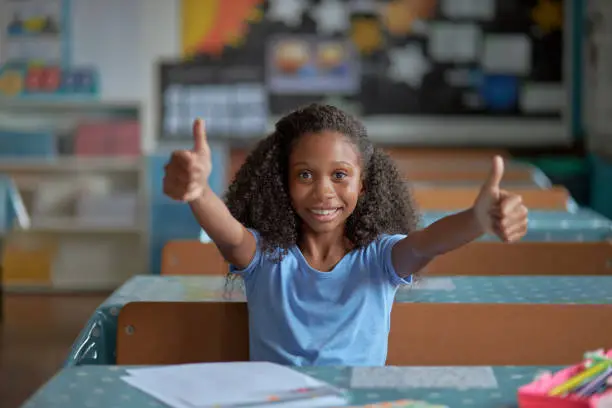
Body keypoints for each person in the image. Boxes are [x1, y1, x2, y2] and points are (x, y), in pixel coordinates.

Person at [163, 104, 528, 366]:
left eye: (339, 175)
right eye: (305, 175)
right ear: (282, 185)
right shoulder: (266, 258)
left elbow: (429, 241)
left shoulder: (380, 260)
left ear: (364, 186)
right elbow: (228, 234)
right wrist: (199, 193)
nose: (324, 192)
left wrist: (477, 219)